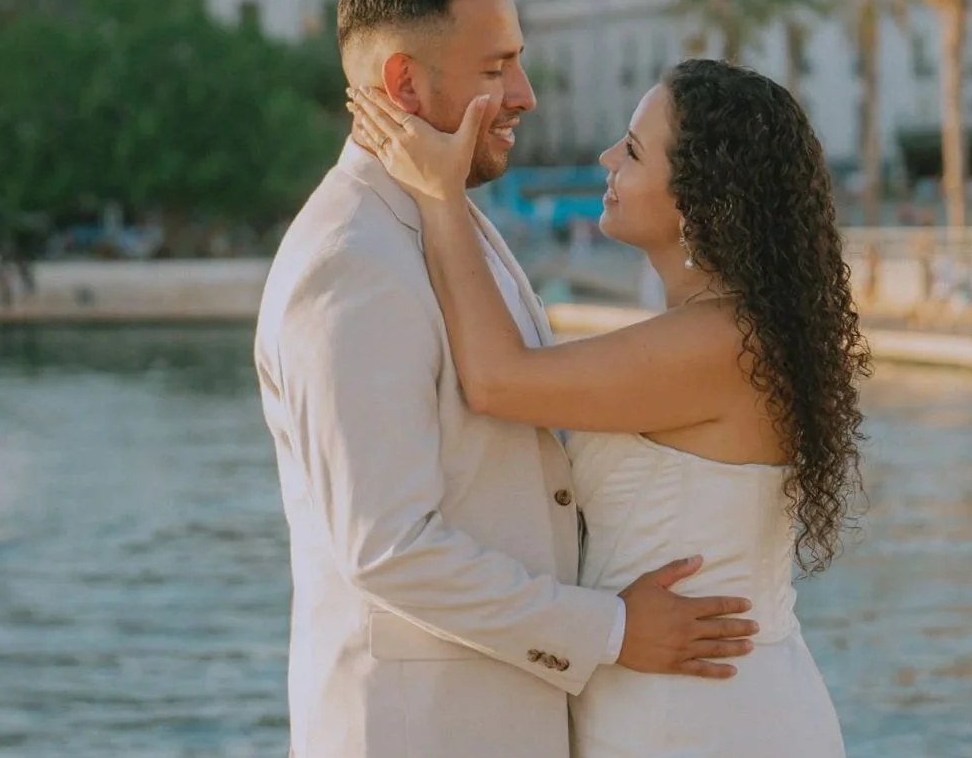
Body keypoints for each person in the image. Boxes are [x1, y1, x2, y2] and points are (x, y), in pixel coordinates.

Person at [254, 0, 759, 758]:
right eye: (495, 69)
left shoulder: (441, 216)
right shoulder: (351, 260)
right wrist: (613, 628)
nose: (523, 94)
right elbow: (386, 546)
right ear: (403, 84)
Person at [351, 56, 862, 757]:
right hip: (681, 693)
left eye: (632, 149)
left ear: (696, 196)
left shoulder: (721, 341)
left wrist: (438, 195)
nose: (604, 157)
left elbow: (497, 380)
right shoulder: (729, 329)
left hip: (701, 713)